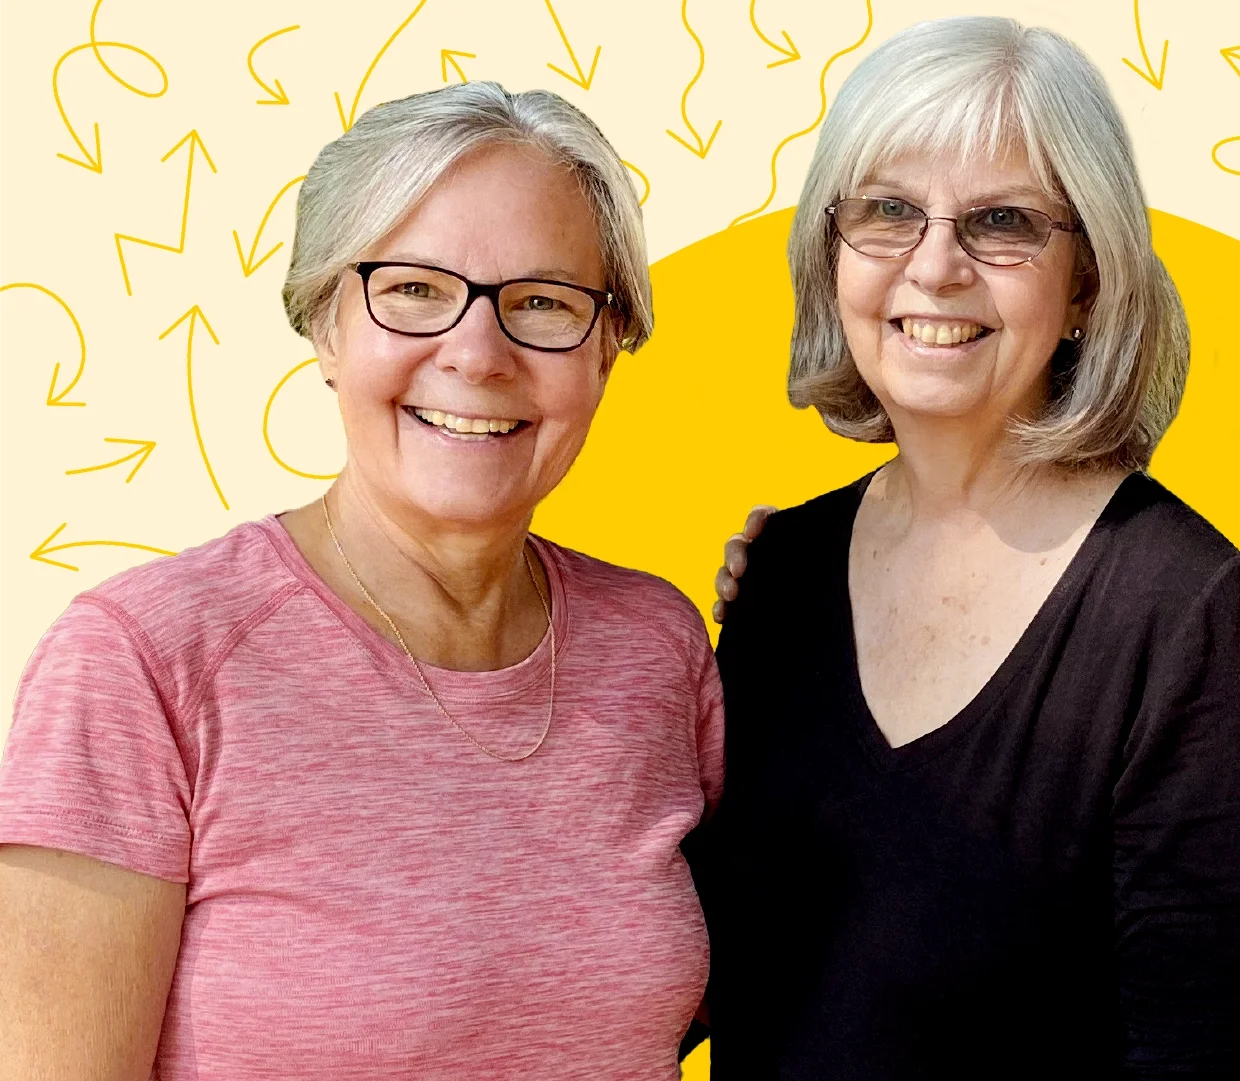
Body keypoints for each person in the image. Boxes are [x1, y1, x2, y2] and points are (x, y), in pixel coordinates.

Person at [0, 83, 722, 1080]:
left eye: (543, 303)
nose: (477, 353)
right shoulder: (141, 662)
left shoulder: (657, 645)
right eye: (415, 289)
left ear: (608, 347)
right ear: (325, 323)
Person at [688, 16, 1240, 1080]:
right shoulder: (779, 573)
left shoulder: (1178, 608)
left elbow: (1197, 1053)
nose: (935, 267)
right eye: (885, 211)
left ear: (1088, 283)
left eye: (1001, 223)